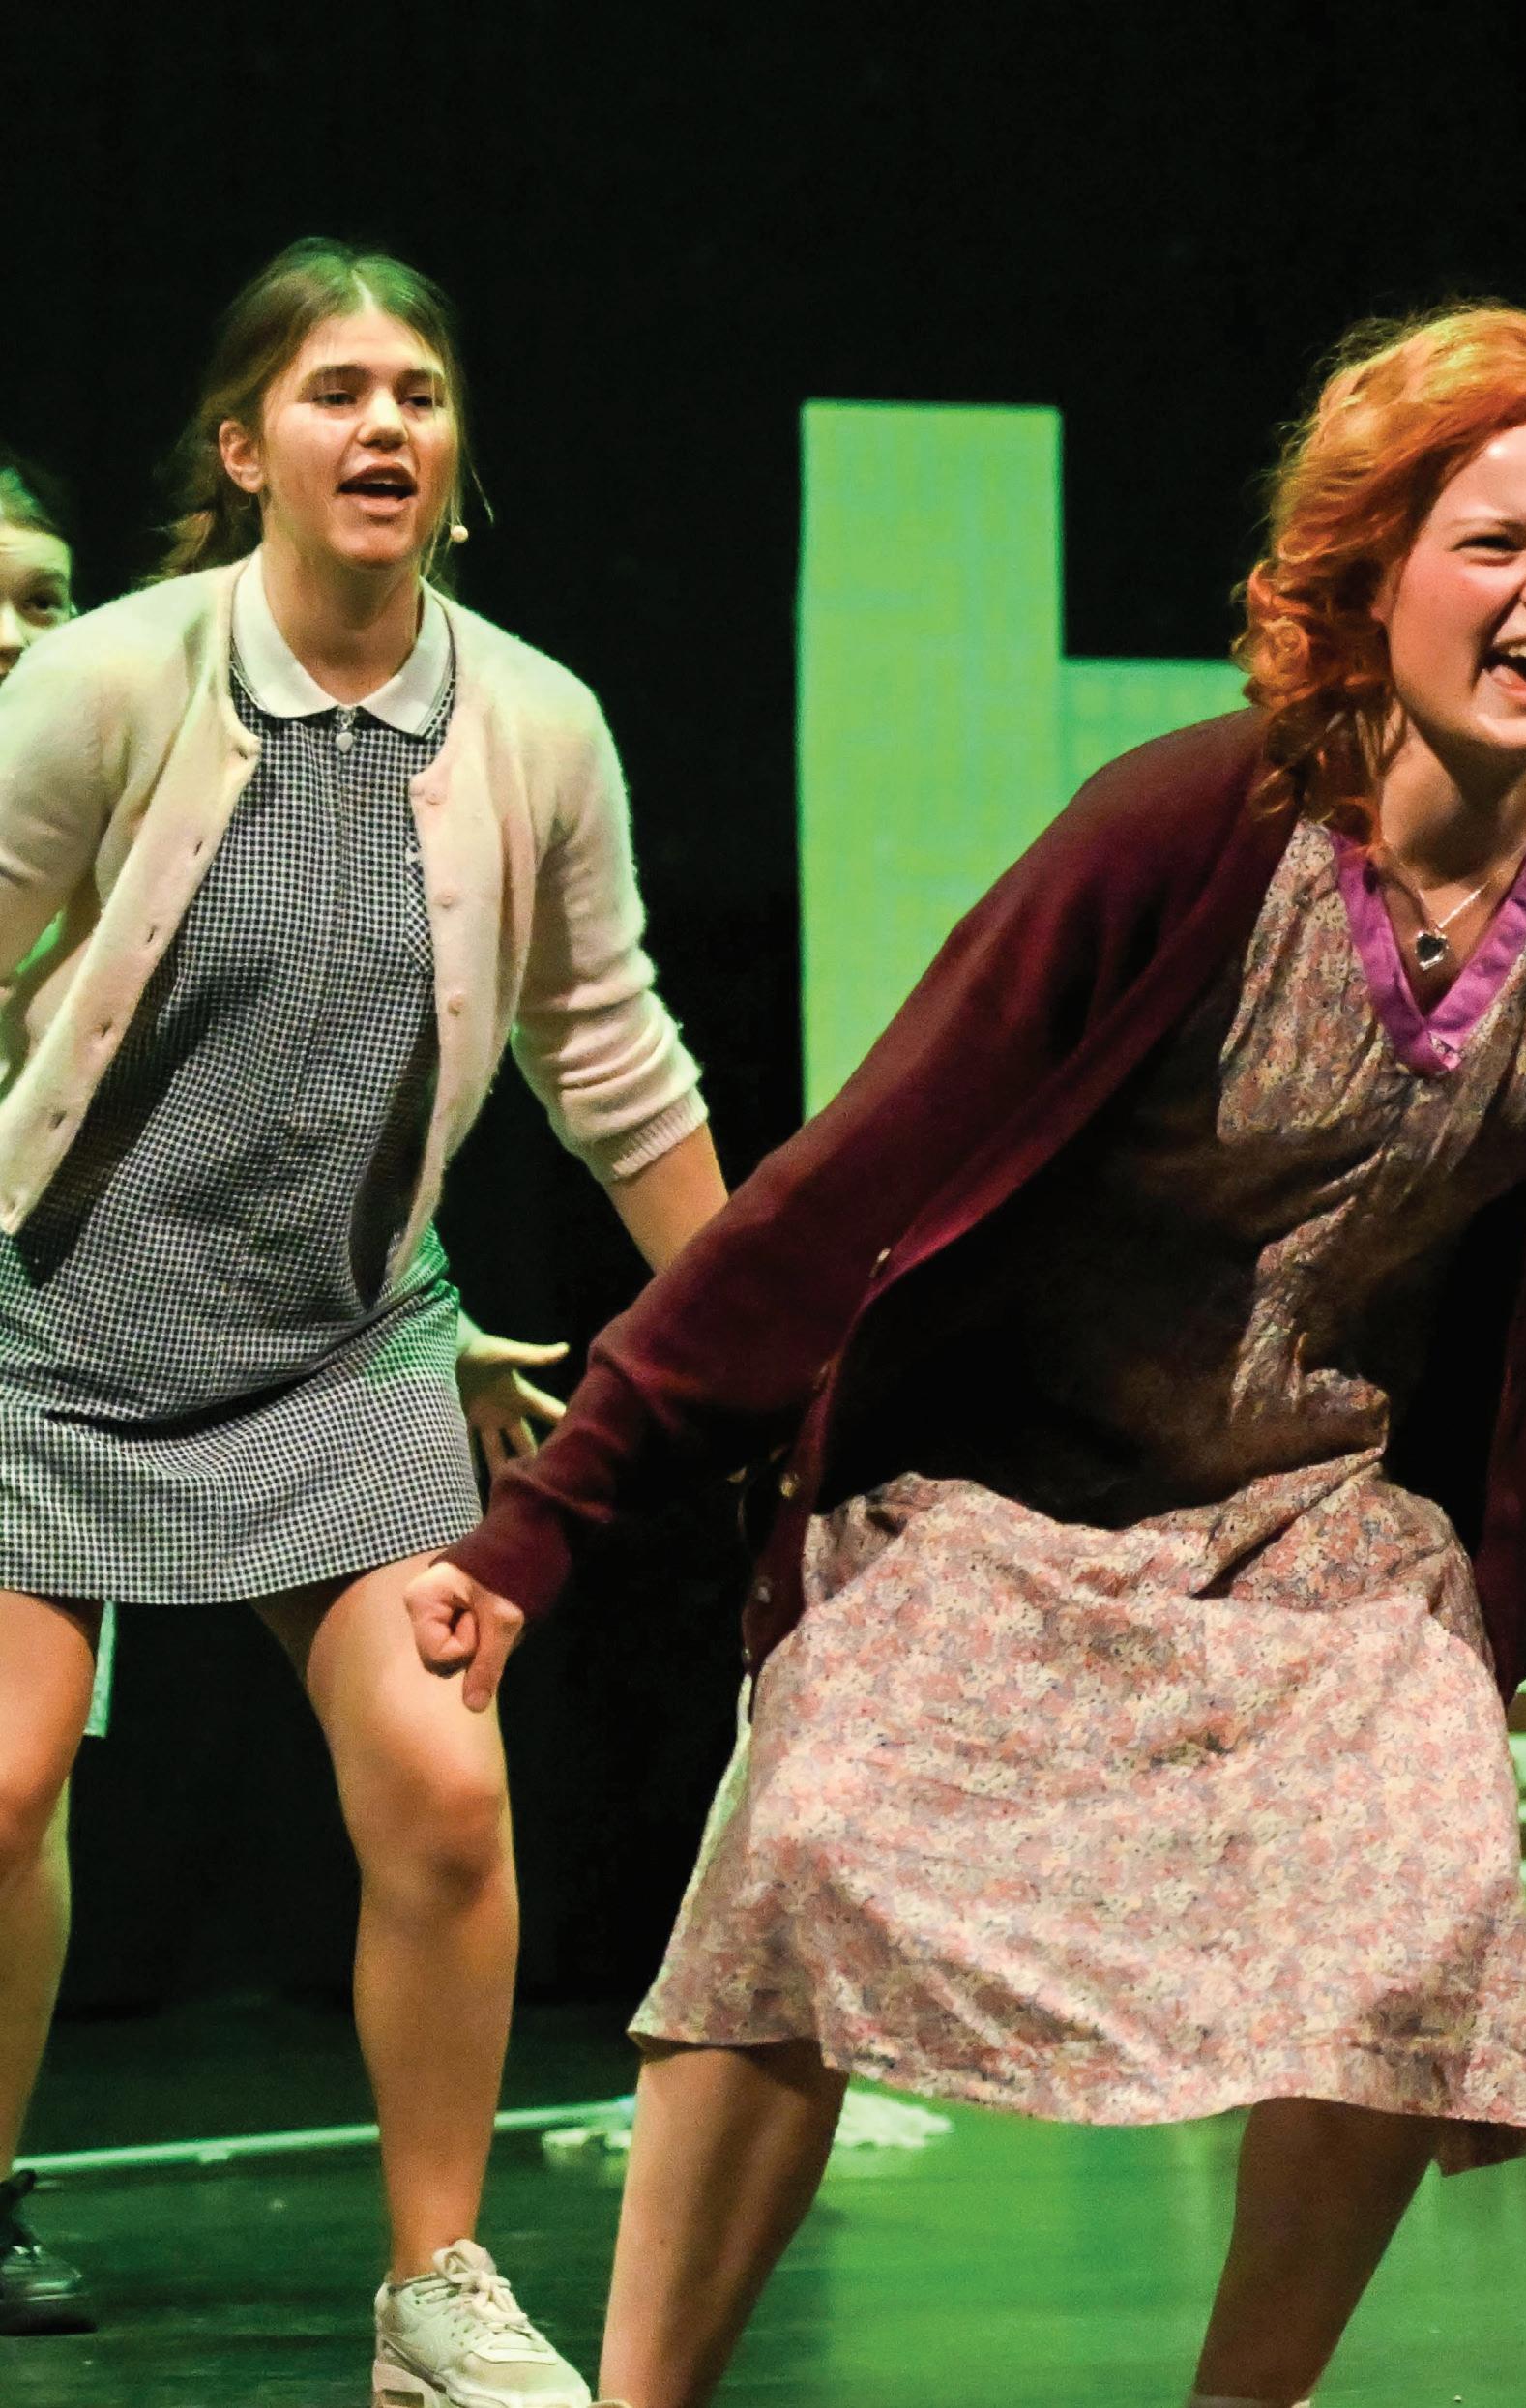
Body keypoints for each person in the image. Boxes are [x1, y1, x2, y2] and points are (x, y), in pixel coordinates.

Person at [402, 305, 1526, 2408]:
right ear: (1372, 574)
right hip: (996, 1478)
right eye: (1495, 543)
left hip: (1325, 1511)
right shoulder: (1189, 824)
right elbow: (848, 1185)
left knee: (1423, 1893)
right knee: (808, 1837)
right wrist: (550, 1522)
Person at [0, 241, 729, 2404]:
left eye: (416, 390)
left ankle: (433, 2293)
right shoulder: (109, 681)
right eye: (333, 391)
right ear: (246, 450)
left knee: (440, 1792)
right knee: (3, 1786)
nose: (381, 423)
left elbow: (613, 1067)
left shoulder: (535, 722)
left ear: (455, 456)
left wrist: (755, 1342)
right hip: (41, 1326)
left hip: (345, 1347)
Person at [0, 439, 93, 2341]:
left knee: (13, 1795)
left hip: (52, 1364)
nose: (20, 634)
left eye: (49, 597)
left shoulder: (119, 867)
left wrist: (429, 1301)